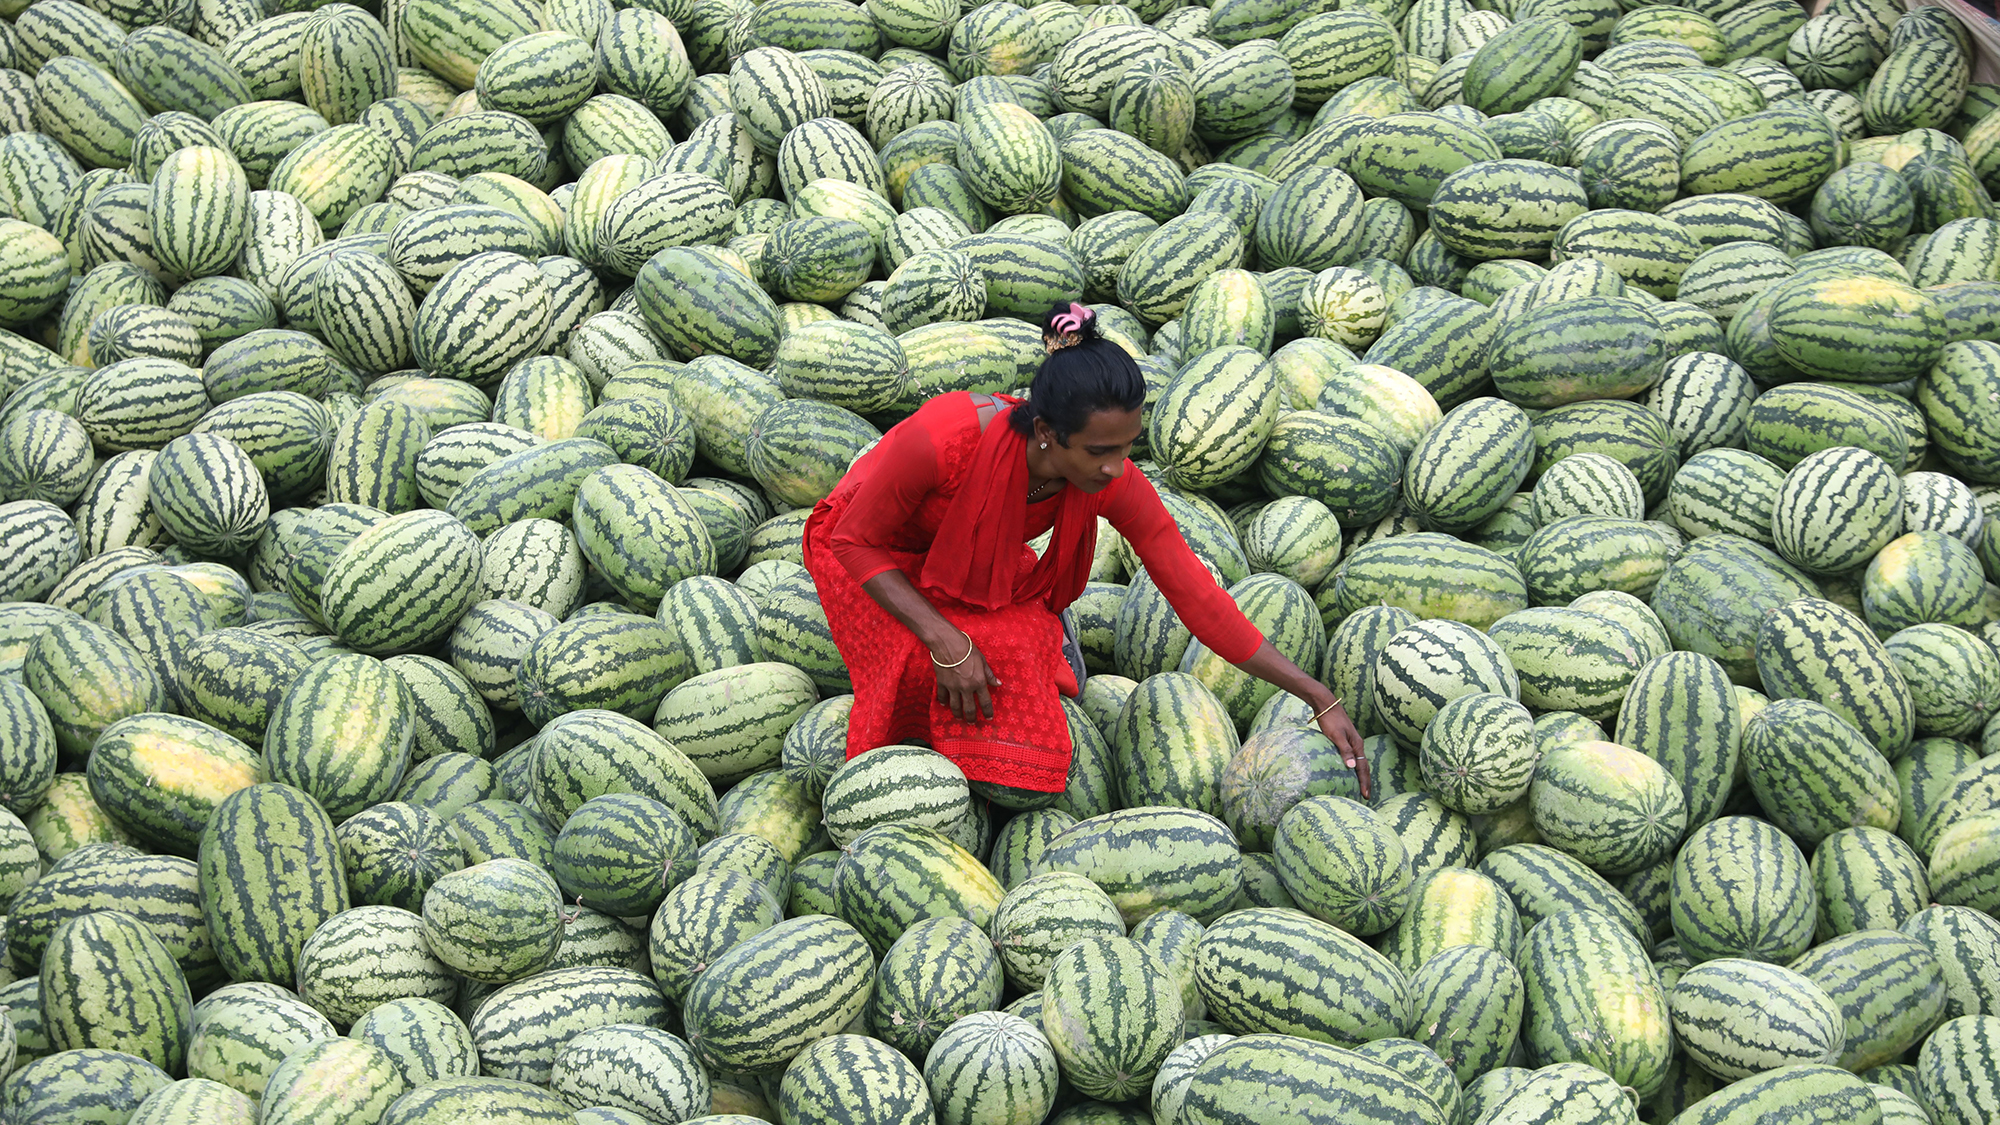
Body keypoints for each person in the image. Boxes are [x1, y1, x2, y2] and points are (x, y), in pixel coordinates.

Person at [800, 302, 1370, 808]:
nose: (1117, 468)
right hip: (861, 549)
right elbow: (854, 540)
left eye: (1127, 448)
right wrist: (945, 640)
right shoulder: (943, 436)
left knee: (1008, 655)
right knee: (925, 658)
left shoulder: (1106, 476)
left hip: (975, 562)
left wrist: (1316, 694)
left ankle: (1032, 651)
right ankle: (914, 769)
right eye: (1101, 451)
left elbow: (1196, 594)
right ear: (1046, 432)